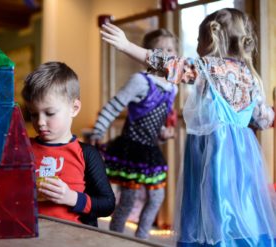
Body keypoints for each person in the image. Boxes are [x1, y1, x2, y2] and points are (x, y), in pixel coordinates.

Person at [100, 8, 276, 246]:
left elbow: (170, 65)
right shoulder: (249, 75)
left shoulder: (209, 68)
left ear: (211, 40)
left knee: (211, 203)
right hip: (243, 158)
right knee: (240, 204)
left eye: (198, 40)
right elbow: (264, 118)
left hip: (214, 156)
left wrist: (126, 46)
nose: (195, 44)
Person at [90, 28, 179, 239]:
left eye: (170, 49)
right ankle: (116, 238)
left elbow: (155, 125)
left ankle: (141, 238)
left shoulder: (173, 88)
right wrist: (97, 131)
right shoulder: (140, 80)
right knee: (128, 199)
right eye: (160, 49)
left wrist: (163, 134)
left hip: (150, 150)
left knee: (157, 197)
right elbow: (114, 106)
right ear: (146, 53)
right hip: (130, 148)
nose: (166, 54)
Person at [21, 61, 115, 226]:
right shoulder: (23, 148)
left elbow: (108, 204)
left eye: (49, 113)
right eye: (34, 115)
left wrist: (72, 198)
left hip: (73, 236)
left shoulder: (87, 154)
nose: (40, 122)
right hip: (30, 232)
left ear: (74, 108)